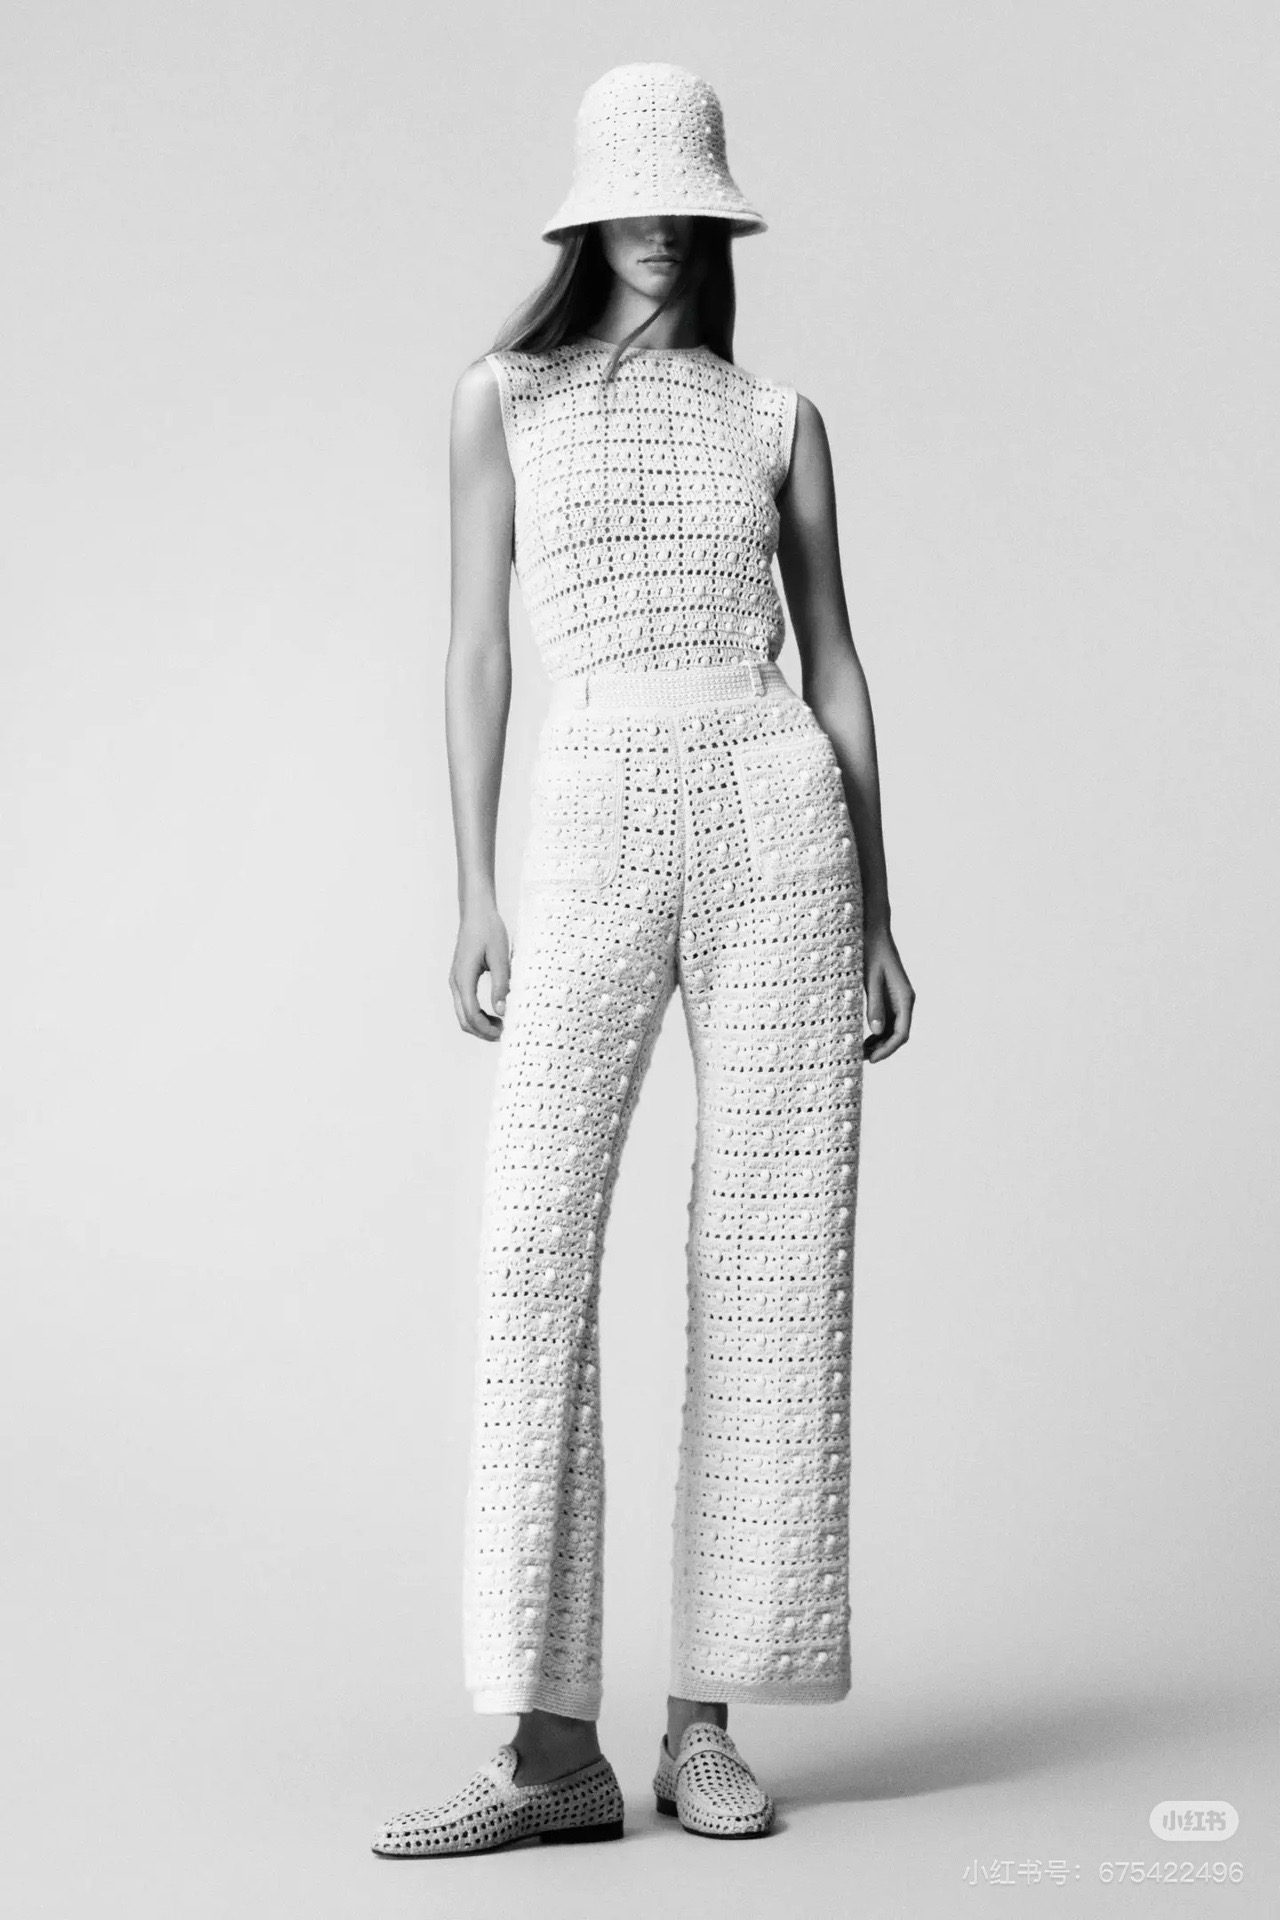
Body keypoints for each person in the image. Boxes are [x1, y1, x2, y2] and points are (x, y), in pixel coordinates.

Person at [374, 60, 914, 1859]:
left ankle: (702, 1728)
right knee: (533, 1251)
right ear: (586, 214)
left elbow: (836, 664)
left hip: (779, 818)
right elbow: (476, 651)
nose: (662, 231)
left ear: (717, 214)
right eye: (634, 201)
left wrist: (881, 911)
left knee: (771, 1258)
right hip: (596, 805)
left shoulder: (777, 416)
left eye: (690, 203)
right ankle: (550, 1751)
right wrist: (473, 888)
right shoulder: (503, 399)